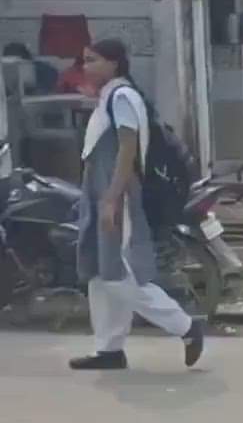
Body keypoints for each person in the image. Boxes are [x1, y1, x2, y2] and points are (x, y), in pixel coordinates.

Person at [69, 39, 204, 370]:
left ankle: (184, 326)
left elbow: (128, 150)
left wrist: (111, 199)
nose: (86, 66)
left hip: (120, 196)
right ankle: (109, 349)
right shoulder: (108, 99)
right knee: (99, 275)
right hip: (100, 194)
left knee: (118, 274)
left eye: (93, 60)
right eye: (84, 60)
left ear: (114, 63)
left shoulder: (123, 97)